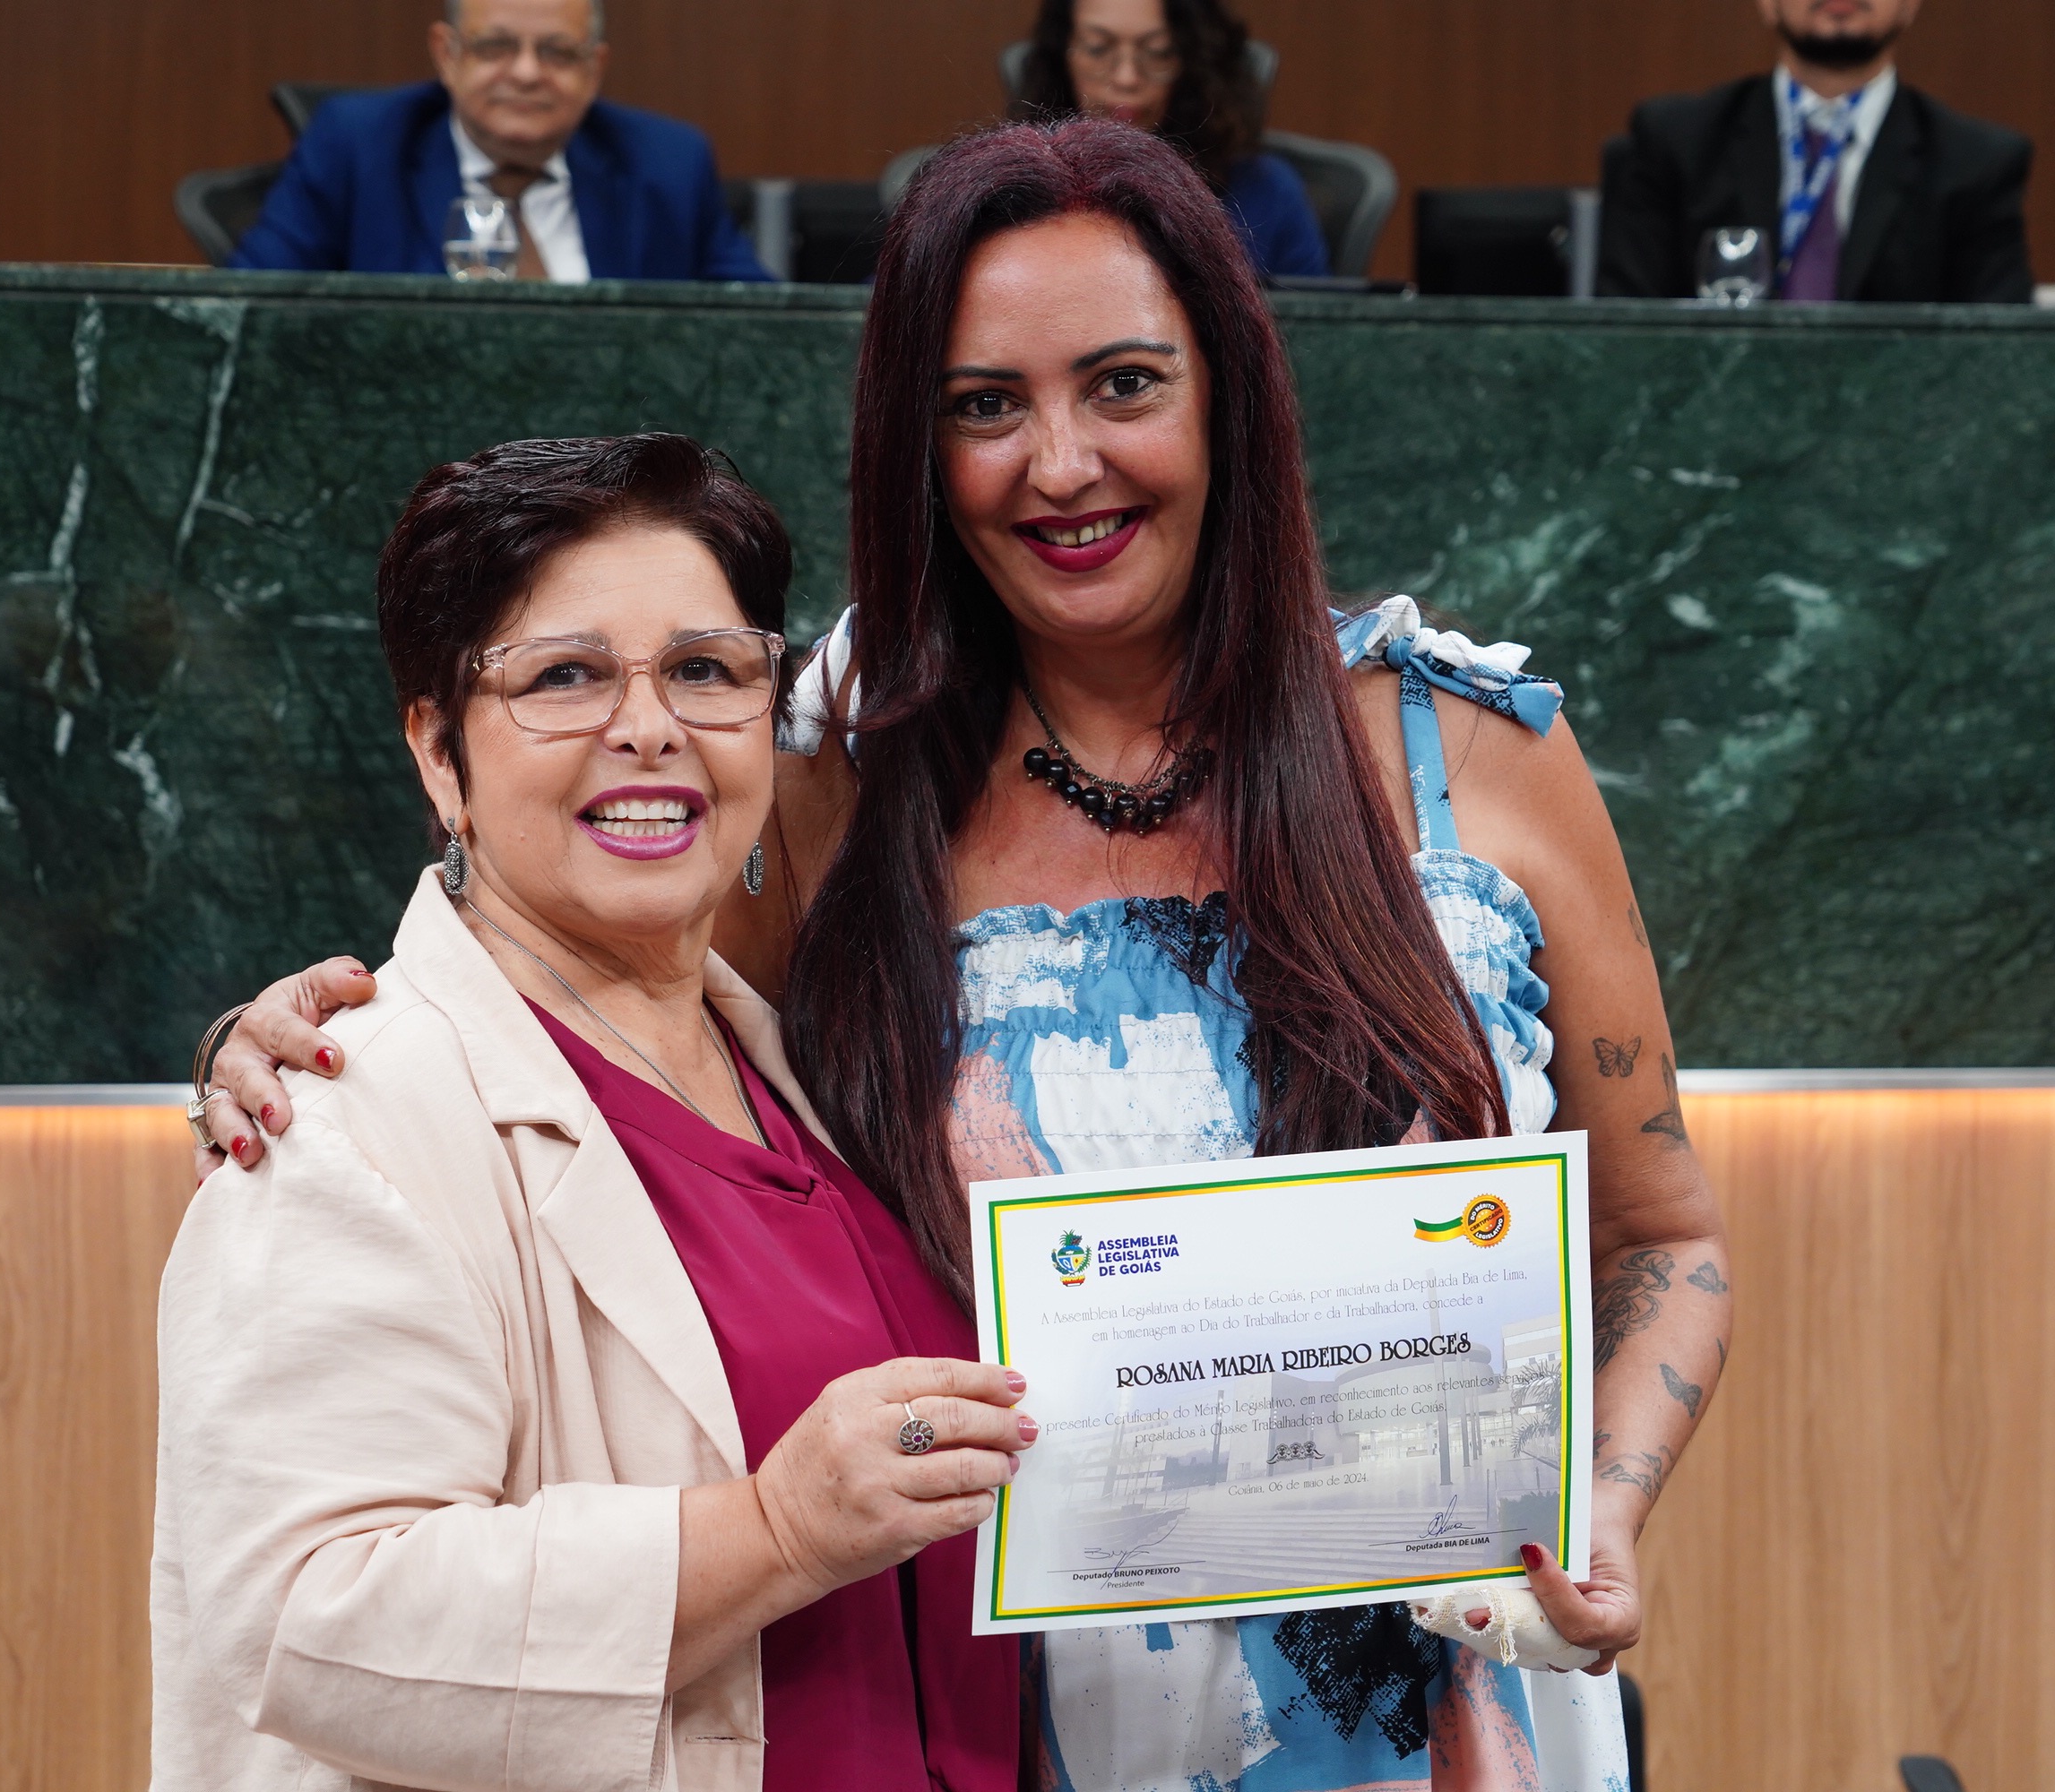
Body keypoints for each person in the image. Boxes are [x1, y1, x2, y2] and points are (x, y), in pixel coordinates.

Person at [202, 121, 1731, 1791]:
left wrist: (1606, 1503)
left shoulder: (1472, 748)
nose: (1060, 464)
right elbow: (587, 986)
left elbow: (1660, 1234)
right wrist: (311, 1039)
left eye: (1124, 386)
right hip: (1012, 1727)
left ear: (1226, 397)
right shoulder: (832, 778)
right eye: (986, 406)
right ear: (917, 449)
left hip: (1461, 1715)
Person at [154, 433, 1024, 1790]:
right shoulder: (336, 1125)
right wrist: (775, 1530)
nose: (649, 726)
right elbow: (304, 1616)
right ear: (438, 753)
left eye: (705, 669)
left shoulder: (826, 1068)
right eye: (564, 676)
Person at [230, 0, 772, 283]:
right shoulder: (358, 147)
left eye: (557, 52)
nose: (527, 73)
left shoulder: (668, 164)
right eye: (495, 47)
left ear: (594, 69)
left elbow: (770, 330)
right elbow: (246, 305)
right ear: (447, 56)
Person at [1598, 0, 2031, 303]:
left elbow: (1998, 355)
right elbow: (1623, 330)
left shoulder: (1978, 164)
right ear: (1767, 4)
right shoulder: (1676, 141)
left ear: (1910, 5)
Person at [1006, 0, 1332, 280]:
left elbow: (1313, 328)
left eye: (1158, 53)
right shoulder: (1011, 192)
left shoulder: (1266, 191)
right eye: (1098, 49)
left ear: (1193, 62)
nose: (1127, 78)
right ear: (1061, 55)